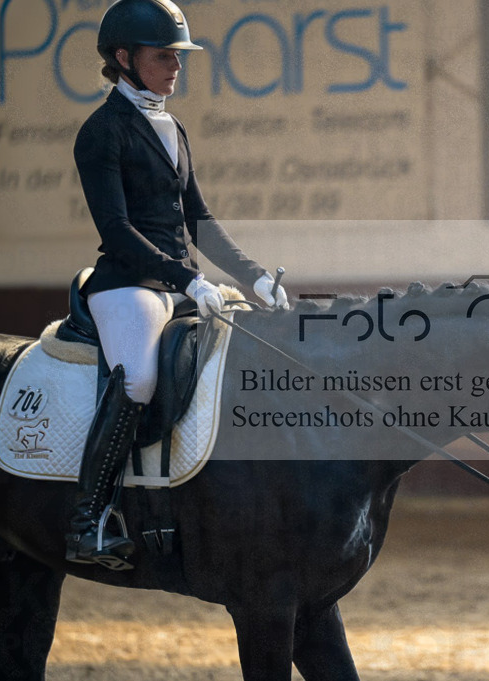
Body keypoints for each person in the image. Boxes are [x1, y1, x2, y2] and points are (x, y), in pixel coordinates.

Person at [65, 0, 287, 569]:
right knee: (137, 376)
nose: (175, 67)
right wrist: (187, 279)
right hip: (127, 284)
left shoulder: (172, 125)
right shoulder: (101, 132)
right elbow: (116, 231)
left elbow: (198, 220)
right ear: (124, 57)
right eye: (164, 56)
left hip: (180, 283)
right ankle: (88, 519)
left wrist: (254, 276)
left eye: (179, 56)